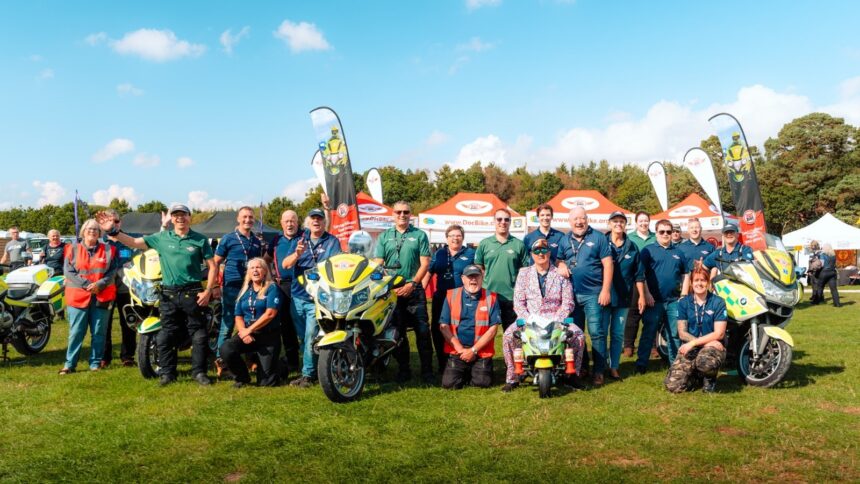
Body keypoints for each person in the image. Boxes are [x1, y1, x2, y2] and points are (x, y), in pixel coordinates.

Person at [97, 204, 217, 386]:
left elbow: (213, 266)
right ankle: (168, 374)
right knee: (166, 335)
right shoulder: (161, 238)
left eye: (183, 215)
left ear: (189, 217)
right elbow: (134, 243)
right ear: (173, 218)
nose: (179, 218)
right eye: (176, 215)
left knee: (198, 335)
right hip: (168, 293)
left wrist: (208, 290)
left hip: (193, 292)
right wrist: (113, 231)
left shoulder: (199, 239)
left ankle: (199, 373)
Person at [501, 238, 582, 392]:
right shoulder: (523, 273)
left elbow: (568, 301)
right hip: (530, 317)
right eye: (536, 251)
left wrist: (558, 319)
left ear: (549, 253)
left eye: (544, 250)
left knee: (578, 335)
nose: (540, 253)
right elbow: (518, 302)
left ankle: (572, 376)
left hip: (556, 317)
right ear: (532, 254)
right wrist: (527, 318)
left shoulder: (560, 273)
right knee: (508, 336)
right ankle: (513, 377)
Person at [373, 201, 433, 383]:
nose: (402, 215)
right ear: (393, 214)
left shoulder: (420, 235)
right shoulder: (384, 237)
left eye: (406, 212)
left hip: (414, 289)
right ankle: (404, 369)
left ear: (410, 214)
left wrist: (412, 284)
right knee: (398, 333)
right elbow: (378, 262)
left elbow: (425, 263)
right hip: (392, 292)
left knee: (422, 332)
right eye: (398, 212)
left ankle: (427, 371)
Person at [285, 208, 342, 387]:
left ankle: (307, 375)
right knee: (305, 338)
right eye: (313, 219)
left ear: (324, 222)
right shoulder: (299, 240)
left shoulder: (332, 241)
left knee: (310, 335)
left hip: (317, 298)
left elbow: (337, 265)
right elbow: (285, 265)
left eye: (319, 219)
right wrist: (297, 254)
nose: (316, 221)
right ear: (307, 222)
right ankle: (318, 368)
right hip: (297, 297)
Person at [557, 207, 612, 385]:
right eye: (575, 219)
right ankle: (581, 367)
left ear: (587, 219)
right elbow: (558, 259)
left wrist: (605, 290)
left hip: (594, 294)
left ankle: (598, 371)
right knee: (575, 334)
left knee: (596, 333)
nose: (579, 222)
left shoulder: (598, 237)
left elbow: (608, 265)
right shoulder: (564, 240)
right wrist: (560, 264)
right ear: (569, 222)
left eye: (582, 218)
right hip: (571, 295)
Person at [59, 219, 118, 374]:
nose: (92, 231)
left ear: (100, 233)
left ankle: (95, 363)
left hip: (102, 296)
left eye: (96, 229)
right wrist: (86, 285)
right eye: (89, 229)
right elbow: (68, 271)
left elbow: (113, 271)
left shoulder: (109, 249)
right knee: (76, 332)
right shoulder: (71, 249)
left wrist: (100, 284)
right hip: (78, 297)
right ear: (83, 231)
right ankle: (69, 364)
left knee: (99, 332)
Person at [213, 207, 263, 374]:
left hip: (250, 287)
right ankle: (221, 360)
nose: (247, 220)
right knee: (227, 324)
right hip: (232, 287)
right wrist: (214, 285)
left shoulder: (256, 241)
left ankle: (250, 358)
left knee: (250, 323)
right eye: (244, 217)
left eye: (250, 217)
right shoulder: (228, 238)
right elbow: (215, 262)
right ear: (238, 219)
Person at [219, 258, 282, 387]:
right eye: (252, 268)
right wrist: (244, 332)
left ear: (265, 271)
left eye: (258, 267)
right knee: (226, 348)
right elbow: (238, 316)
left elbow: (270, 313)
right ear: (248, 272)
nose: (255, 270)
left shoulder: (272, 288)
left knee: (266, 383)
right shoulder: (244, 291)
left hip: (268, 336)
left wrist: (250, 329)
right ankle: (242, 378)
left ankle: (281, 366)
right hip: (248, 334)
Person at [664, 264, 727, 393]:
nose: (700, 284)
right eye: (696, 280)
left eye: (703, 280)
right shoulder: (683, 303)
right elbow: (682, 333)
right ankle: (696, 377)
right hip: (693, 347)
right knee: (673, 386)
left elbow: (719, 334)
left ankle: (710, 379)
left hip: (712, 348)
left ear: (708, 282)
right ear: (691, 283)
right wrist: (697, 343)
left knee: (705, 362)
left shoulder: (718, 302)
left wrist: (695, 343)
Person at [638, 219, 690, 372]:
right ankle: (641, 364)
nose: (666, 234)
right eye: (662, 231)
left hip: (674, 301)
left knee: (674, 333)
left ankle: (675, 364)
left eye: (669, 231)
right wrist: (646, 294)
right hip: (653, 301)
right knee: (648, 332)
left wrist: (684, 294)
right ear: (656, 232)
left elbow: (686, 274)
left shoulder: (678, 252)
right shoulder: (648, 250)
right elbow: (642, 274)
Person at [422, 224, 475, 373]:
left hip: (462, 298)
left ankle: (461, 360)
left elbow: (478, 274)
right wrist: (420, 292)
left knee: (460, 329)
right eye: (452, 235)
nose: (455, 238)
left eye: (458, 235)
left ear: (462, 237)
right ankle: (442, 362)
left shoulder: (470, 253)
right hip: (441, 297)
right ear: (446, 238)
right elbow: (428, 273)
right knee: (439, 329)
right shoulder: (439, 253)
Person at [438, 264, 500, 389]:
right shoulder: (451, 295)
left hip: (481, 350)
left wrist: (473, 350)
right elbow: (443, 326)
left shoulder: (491, 297)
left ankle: (474, 371)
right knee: (449, 384)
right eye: (469, 277)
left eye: (476, 276)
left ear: (482, 278)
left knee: (482, 383)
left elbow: (493, 330)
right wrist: (460, 349)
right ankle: (466, 371)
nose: (473, 280)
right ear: (462, 279)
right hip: (458, 350)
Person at [474, 208, 529, 331]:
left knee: (512, 335)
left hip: (511, 297)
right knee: (484, 333)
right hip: (488, 295)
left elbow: (525, 272)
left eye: (506, 219)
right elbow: (478, 267)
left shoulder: (518, 244)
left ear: (510, 222)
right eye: (499, 219)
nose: (502, 222)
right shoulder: (484, 244)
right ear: (494, 221)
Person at [606, 211, 645, 380]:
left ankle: (614, 367)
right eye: (615, 221)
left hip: (623, 298)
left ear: (625, 225)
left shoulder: (631, 246)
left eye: (621, 221)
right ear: (609, 224)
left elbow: (639, 274)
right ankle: (599, 368)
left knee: (617, 335)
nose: (618, 224)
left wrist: (642, 296)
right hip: (603, 296)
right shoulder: (601, 243)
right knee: (599, 334)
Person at [265, 209, 302, 373]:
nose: (290, 224)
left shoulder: (304, 236)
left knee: (303, 323)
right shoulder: (276, 240)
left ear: (297, 222)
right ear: (281, 223)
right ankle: (293, 361)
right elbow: (265, 260)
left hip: (302, 286)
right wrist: (269, 279)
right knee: (286, 326)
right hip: (282, 287)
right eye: (286, 221)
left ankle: (313, 360)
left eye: (292, 220)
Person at [101, 209, 137, 367]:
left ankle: (128, 356)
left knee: (128, 322)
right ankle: (104, 357)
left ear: (120, 222)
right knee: (104, 323)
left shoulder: (130, 240)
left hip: (126, 287)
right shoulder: (99, 242)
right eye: (110, 221)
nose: (113, 224)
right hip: (105, 288)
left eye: (116, 221)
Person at [623, 212, 655, 357]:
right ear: (636, 223)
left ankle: (654, 345)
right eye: (641, 221)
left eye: (646, 221)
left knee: (653, 314)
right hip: (635, 280)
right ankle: (629, 345)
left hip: (654, 279)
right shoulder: (629, 237)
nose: (643, 223)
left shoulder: (655, 237)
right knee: (633, 313)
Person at [815, 243, 842, 308]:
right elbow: (835, 264)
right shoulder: (834, 255)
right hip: (832, 272)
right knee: (834, 289)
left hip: (824, 272)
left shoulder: (822, 255)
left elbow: (821, 265)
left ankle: (817, 301)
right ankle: (837, 303)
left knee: (820, 287)